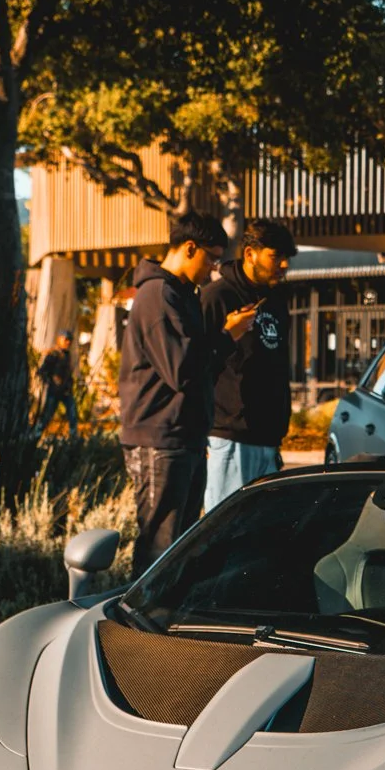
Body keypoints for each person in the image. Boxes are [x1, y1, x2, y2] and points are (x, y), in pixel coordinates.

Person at [118, 213, 255, 574]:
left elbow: (191, 363)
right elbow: (182, 370)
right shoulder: (158, 294)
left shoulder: (181, 294)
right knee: (160, 548)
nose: (213, 269)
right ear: (188, 248)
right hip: (161, 438)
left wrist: (225, 335)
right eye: (210, 258)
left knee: (177, 548)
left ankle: (164, 624)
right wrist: (228, 337)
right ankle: (141, 629)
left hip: (183, 437)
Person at [201, 218, 299, 510]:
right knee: (226, 533)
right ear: (250, 253)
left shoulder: (277, 301)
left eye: (286, 259)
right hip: (230, 437)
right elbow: (197, 364)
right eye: (276, 257)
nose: (283, 265)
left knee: (261, 536)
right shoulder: (217, 297)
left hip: (268, 439)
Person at [35, 329, 79, 440]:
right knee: (46, 416)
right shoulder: (53, 355)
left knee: (72, 414)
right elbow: (41, 372)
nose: (68, 342)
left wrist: (70, 382)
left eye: (70, 340)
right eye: (66, 339)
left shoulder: (67, 355)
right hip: (54, 392)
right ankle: (35, 435)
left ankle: (73, 437)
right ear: (59, 340)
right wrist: (52, 380)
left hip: (66, 391)